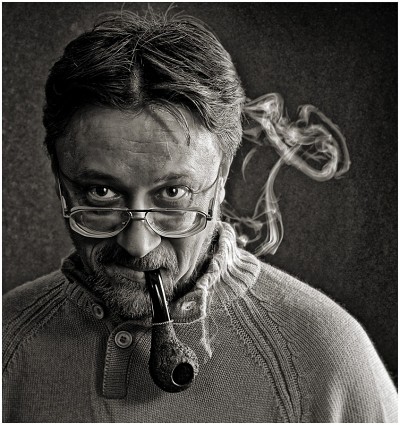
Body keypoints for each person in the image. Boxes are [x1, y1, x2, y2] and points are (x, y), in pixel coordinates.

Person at [3, 10, 397, 423]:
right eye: (101, 192)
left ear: (222, 180)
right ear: (60, 182)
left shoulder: (325, 360)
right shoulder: (7, 346)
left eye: (173, 193)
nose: (138, 244)